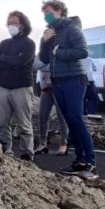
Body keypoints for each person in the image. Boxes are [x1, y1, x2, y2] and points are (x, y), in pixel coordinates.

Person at [39, 0, 97, 179]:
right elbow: (44, 58)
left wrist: (59, 52)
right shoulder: (51, 32)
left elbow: (82, 51)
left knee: (76, 120)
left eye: (48, 11)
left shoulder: (71, 28)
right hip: (58, 81)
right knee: (71, 121)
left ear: (59, 11)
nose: (45, 15)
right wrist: (44, 41)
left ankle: (90, 163)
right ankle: (79, 161)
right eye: (44, 12)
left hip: (74, 79)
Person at [0, 11, 36, 159]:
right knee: (2, 121)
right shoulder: (4, 43)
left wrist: (6, 59)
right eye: (9, 23)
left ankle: (27, 152)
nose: (11, 25)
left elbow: (23, 61)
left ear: (22, 25)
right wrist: (13, 60)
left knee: (24, 122)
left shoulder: (29, 44)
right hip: (3, 86)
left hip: (22, 87)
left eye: (14, 23)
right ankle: (6, 149)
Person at [35, 28, 68, 156]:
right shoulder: (42, 52)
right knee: (42, 116)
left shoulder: (60, 48)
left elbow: (59, 63)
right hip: (45, 88)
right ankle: (43, 144)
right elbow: (35, 64)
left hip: (59, 86)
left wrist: (47, 64)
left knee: (62, 117)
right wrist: (49, 64)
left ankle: (64, 144)